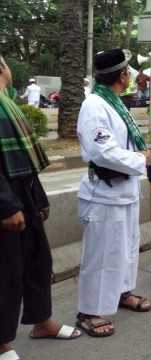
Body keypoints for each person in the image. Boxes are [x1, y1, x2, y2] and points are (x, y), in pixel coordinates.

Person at [1, 54, 81, 360]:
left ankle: (41, 321)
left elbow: (23, 161)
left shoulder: (5, 100)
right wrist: (6, 205)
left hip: (23, 191)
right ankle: (2, 343)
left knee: (38, 262)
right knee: (7, 272)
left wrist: (39, 197)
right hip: (5, 196)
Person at [76, 49, 151, 337]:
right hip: (105, 192)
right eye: (129, 72)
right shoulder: (95, 105)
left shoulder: (113, 102)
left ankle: (121, 292)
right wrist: (140, 160)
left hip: (124, 190)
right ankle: (89, 310)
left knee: (126, 248)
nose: (131, 76)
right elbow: (102, 150)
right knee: (102, 253)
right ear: (122, 76)